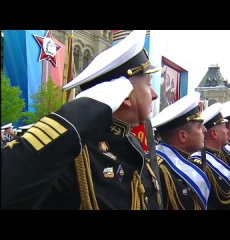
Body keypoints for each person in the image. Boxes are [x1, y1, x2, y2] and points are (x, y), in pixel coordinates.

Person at [1, 30, 163, 210]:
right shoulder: (73, 153)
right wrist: (86, 109)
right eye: (148, 84)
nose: (155, 95)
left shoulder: (131, 144)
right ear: (125, 95)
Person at [151, 92, 211, 210]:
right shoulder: (158, 169)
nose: (205, 130)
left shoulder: (186, 161)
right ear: (182, 135)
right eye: (199, 127)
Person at [190, 102, 230, 209]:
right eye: (224, 127)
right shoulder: (200, 163)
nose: (227, 130)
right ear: (214, 133)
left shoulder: (216, 156)